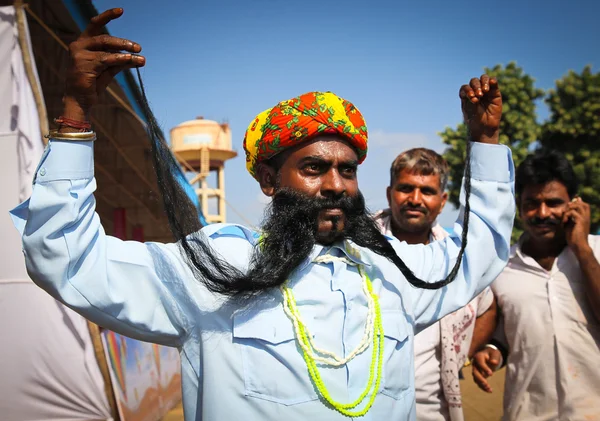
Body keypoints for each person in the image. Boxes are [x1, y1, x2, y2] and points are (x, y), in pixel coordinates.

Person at [11, 8, 516, 421]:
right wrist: (76, 113)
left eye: (348, 170)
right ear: (270, 182)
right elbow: (68, 259)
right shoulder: (217, 266)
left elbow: (480, 251)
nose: (336, 185)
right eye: (315, 168)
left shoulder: (392, 272)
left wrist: (486, 142)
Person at [471, 150, 600, 420]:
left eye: (553, 203)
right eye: (532, 203)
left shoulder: (596, 252)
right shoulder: (500, 266)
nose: (542, 213)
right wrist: (493, 352)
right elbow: (508, 332)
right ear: (519, 206)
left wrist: (583, 251)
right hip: (528, 413)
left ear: (575, 203)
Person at [375, 148, 497, 421]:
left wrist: (466, 351)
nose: (415, 199)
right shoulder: (357, 247)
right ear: (389, 193)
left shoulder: (456, 258)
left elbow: (488, 306)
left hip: (433, 412)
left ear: (442, 202)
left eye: (427, 191)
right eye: (405, 188)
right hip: (365, 408)